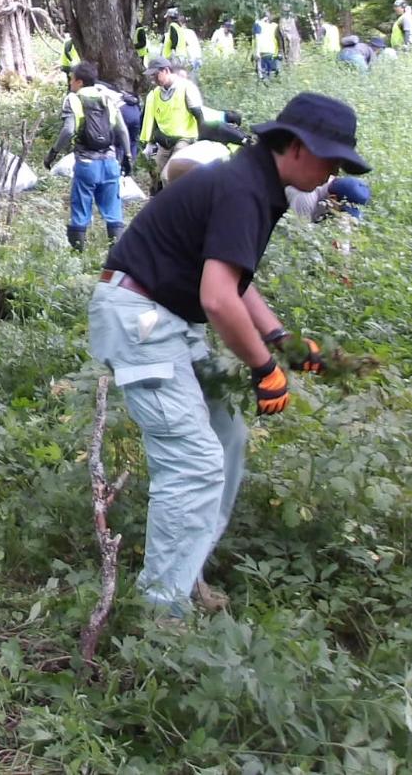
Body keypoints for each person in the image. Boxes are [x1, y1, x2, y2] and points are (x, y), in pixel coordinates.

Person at [88, 92, 368, 617]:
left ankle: (184, 574)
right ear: (299, 147)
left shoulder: (257, 184)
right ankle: (161, 612)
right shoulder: (244, 188)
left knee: (226, 435)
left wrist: (280, 340)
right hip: (142, 319)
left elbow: (232, 283)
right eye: (332, 159)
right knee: (193, 463)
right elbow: (217, 298)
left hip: (165, 318)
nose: (334, 172)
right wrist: (264, 370)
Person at [45, 61, 134, 251]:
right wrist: (127, 156)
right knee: (113, 209)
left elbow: (68, 130)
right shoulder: (107, 99)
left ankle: (78, 253)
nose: (70, 83)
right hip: (110, 162)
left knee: (80, 207)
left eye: (72, 79)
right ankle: (116, 253)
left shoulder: (73, 99)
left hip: (86, 163)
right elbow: (122, 130)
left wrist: (53, 153)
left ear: (79, 82)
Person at [138, 59, 243, 190]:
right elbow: (150, 119)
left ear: (165, 70)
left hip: (184, 139)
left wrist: (202, 138)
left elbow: (199, 115)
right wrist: (150, 142)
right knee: (156, 173)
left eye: (155, 75)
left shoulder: (186, 88)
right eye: (151, 76)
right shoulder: (155, 94)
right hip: (165, 140)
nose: (154, 79)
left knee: (168, 176)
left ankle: (176, 204)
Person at [253, 12, 282, 80]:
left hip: (270, 52)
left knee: (268, 72)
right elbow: (257, 38)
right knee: (265, 73)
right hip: (265, 52)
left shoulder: (274, 26)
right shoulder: (259, 24)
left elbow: (279, 39)